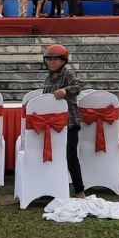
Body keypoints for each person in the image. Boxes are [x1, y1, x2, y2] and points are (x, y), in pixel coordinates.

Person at [41, 44, 86, 196]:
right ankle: (52, 190)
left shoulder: (68, 74)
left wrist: (66, 90)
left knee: (70, 155)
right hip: (53, 124)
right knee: (52, 156)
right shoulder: (47, 78)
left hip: (70, 122)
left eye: (55, 59)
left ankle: (80, 191)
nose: (52, 62)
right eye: (49, 59)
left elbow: (78, 86)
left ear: (63, 61)